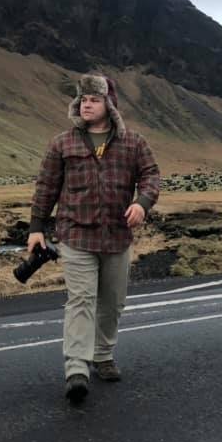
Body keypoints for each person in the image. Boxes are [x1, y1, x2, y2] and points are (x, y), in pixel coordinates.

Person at [27, 74, 160, 403]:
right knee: (81, 300)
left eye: (94, 99)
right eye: (83, 99)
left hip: (117, 238)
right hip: (76, 236)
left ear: (110, 105)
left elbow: (150, 176)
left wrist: (142, 204)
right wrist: (36, 228)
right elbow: (46, 187)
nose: (86, 104)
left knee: (112, 303)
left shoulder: (134, 143)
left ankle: (102, 355)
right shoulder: (63, 143)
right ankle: (76, 369)